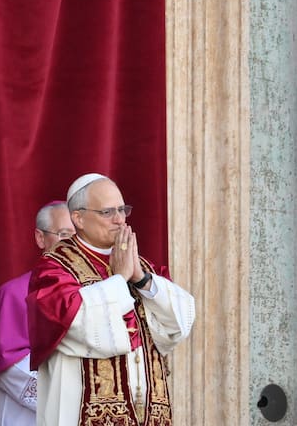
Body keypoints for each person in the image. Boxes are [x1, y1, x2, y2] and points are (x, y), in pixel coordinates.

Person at [26, 173, 195, 426]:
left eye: (122, 209)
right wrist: (120, 280)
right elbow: (73, 323)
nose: (119, 220)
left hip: (147, 414)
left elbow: (179, 324)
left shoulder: (142, 266)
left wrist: (141, 279)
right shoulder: (56, 266)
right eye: (107, 212)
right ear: (78, 218)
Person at [0, 201, 75, 426]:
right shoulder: (13, 294)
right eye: (65, 235)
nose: (74, 245)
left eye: (80, 237)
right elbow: (10, 368)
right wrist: (71, 398)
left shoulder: (95, 292)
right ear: (40, 238)